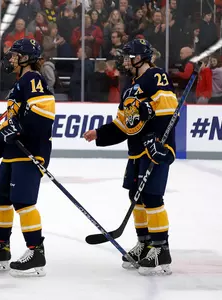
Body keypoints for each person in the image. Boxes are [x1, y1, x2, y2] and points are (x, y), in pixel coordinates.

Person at [83, 39, 177, 276]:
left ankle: (161, 249)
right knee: (136, 196)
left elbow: (168, 108)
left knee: (153, 196)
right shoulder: (129, 88)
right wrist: (99, 133)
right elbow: (123, 124)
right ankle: (145, 243)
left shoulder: (156, 76)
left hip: (155, 148)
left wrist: (157, 134)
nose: (125, 61)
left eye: (128, 57)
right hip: (136, 150)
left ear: (141, 58)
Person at [0, 38, 55, 277]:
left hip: (29, 153)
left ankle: (36, 252)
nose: (10, 59)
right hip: (13, 153)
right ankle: (2, 248)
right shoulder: (20, 84)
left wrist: (18, 131)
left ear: (25, 58)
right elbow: (12, 125)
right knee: (0, 197)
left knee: (23, 201)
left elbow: (44, 116)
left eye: (15, 55)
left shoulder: (33, 80)